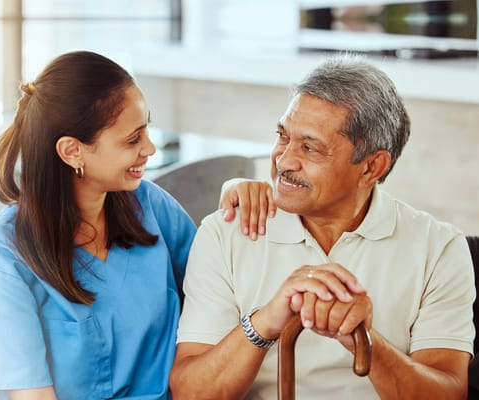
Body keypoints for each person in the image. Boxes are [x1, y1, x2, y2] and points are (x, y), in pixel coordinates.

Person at [0, 50, 272, 400]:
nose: (150, 148)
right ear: (72, 151)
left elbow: (221, 289)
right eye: (133, 139)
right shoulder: (4, 258)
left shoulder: (150, 207)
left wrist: (233, 197)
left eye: (147, 129)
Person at [169, 55, 475, 400]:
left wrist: (364, 340)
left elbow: (448, 394)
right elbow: (191, 393)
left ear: (372, 167)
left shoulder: (438, 247)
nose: (284, 160)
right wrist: (265, 322)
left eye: (310, 148)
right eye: (282, 136)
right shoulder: (225, 233)